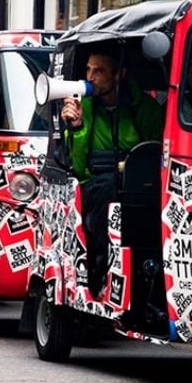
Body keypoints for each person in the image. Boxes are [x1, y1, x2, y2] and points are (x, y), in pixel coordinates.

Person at [61, 45, 164, 295]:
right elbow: (78, 163)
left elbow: (158, 152)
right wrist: (77, 128)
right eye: (88, 70)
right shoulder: (84, 107)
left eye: (99, 71)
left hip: (137, 185)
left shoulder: (146, 108)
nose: (90, 78)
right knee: (107, 191)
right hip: (96, 183)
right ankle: (100, 270)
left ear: (119, 75)